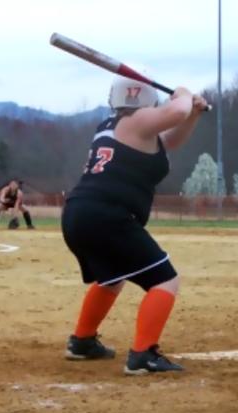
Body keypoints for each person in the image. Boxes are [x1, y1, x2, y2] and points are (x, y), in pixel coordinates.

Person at [61, 71, 209, 375]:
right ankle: (143, 354)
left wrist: (193, 114)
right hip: (107, 215)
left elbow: (170, 141)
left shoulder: (116, 127)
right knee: (165, 280)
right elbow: (175, 112)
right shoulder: (137, 121)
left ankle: (82, 341)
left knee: (113, 276)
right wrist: (183, 94)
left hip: (80, 213)